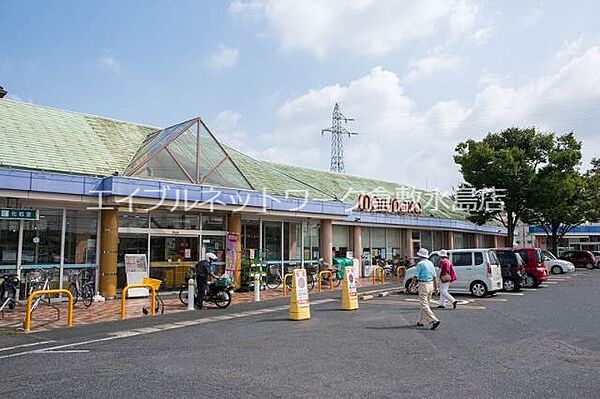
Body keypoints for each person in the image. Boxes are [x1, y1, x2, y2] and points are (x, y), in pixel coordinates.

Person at [413, 248, 441, 330]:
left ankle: (434, 319)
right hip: (430, 284)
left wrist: (412, 285)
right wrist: (436, 288)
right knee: (426, 304)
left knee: (424, 304)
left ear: (420, 256)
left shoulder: (420, 264)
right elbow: (435, 276)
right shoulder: (430, 263)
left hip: (423, 284)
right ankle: (420, 321)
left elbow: (416, 276)